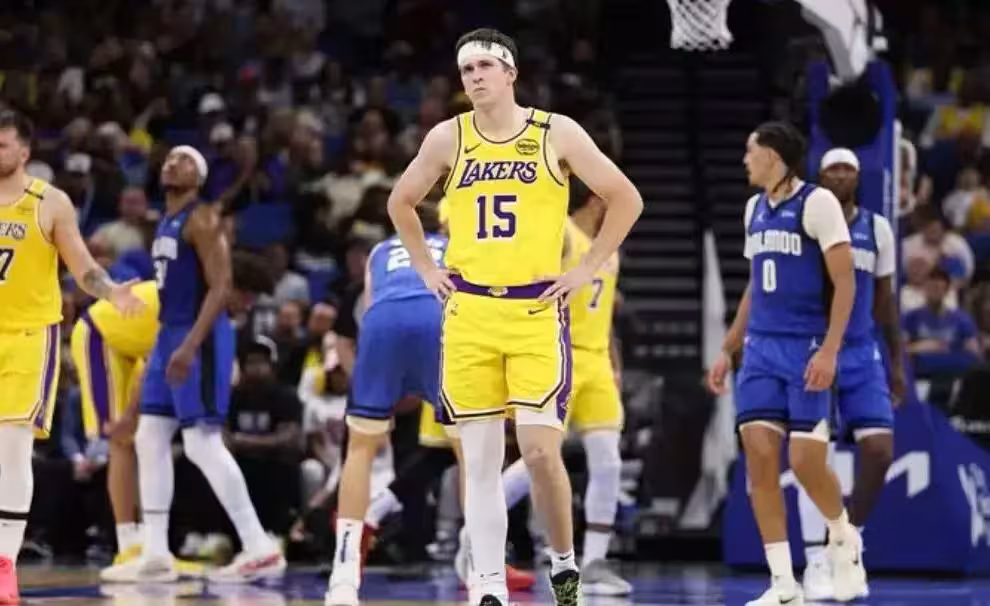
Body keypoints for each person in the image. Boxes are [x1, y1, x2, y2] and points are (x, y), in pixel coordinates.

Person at [386, 28, 642, 606]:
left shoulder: (556, 132)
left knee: (540, 452)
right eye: (465, 69)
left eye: (484, 66)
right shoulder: (448, 137)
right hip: (469, 311)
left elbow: (626, 198)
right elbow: (400, 201)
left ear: (510, 73)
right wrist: (426, 268)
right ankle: (488, 584)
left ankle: (565, 563)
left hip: (534, 312)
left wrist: (586, 269)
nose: (474, 76)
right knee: (478, 463)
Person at [101, 146, 285, 583]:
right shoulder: (164, 221)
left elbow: (221, 287)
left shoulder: (202, 218)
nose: (172, 162)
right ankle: (156, 553)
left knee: (202, 442)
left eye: (184, 160)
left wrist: (189, 345)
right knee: (148, 437)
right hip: (169, 331)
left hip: (197, 336)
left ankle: (259, 546)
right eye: (169, 158)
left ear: (199, 177)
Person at [706, 123, 865, 605]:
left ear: (773, 156)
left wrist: (830, 350)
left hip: (806, 347)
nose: (745, 160)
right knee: (758, 460)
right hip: (760, 349)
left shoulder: (818, 204)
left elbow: (846, 283)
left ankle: (843, 535)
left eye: (750, 151)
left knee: (804, 462)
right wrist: (728, 346)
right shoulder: (753, 208)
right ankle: (783, 584)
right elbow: (757, 284)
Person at [453, 183, 631, 596]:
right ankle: (472, 531)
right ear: (595, 200)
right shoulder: (561, 231)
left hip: (597, 361)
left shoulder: (608, 245)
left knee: (608, 461)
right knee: (539, 457)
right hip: (558, 350)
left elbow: (603, 313)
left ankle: (596, 562)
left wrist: (614, 362)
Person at [0, 109, 143, 603]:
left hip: (26, 336)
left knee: (11, 445)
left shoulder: (49, 203)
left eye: (2, 145)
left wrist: (111, 291)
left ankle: (4, 564)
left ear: (24, 151)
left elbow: (82, 267)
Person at [69, 252, 272, 579]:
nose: (248, 306)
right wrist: (129, 414)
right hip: (101, 336)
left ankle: (153, 547)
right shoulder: (183, 303)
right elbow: (156, 364)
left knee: (149, 438)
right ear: (228, 284)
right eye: (247, 296)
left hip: (137, 343)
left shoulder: (203, 308)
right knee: (121, 439)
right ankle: (128, 545)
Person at [325, 204, 450, 605]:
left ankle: (343, 576)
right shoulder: (456, 244)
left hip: (381, 326)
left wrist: (384, 381)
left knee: (359, 448)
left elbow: (369, 307)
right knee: (472, 450)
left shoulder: (379, 252)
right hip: (438, 319)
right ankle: (484, 571)